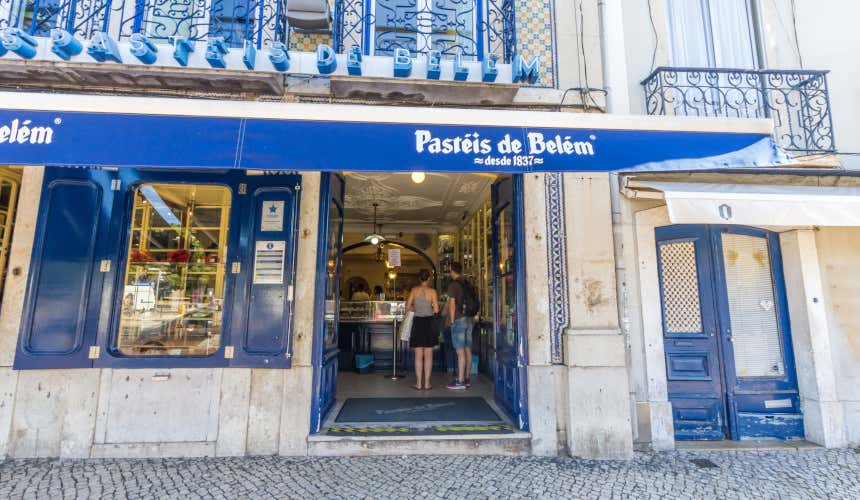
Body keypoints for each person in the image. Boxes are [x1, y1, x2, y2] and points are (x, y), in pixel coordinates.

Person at [405, 269, 440, 390]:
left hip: (418, 323)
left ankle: (419, 383)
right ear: (429, 278)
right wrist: (428, 308)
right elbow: (436, 310)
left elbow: (407, 306)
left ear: (419, 279)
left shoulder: (414, 290)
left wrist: (417, 309)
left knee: (418, 355)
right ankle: (427, 383)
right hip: (429, 323)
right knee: (429, 354)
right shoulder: (432, 292)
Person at [446, 262, 474, 390]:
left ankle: (460, 381)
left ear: (452, 270)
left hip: (459, 319)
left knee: (460, 351)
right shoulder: (467, 283)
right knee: (467, 349)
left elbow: (452, 305)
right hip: (469, 319)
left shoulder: (453, 285)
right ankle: (467, 378)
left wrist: (452, 321)